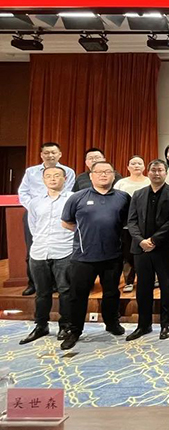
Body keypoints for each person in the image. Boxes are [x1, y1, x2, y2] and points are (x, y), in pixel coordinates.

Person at [60, 161, 131, 350]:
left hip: (113, 255)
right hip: (83, 257)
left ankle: (112, 323)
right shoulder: (77, 197)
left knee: (112, 293)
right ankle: (74, 330)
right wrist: (87, 232)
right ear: (91, 176)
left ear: (114, 175)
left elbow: (128, 222)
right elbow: (66, 222)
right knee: (78, 295)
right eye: (99, 172)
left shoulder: (123, 197)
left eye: (108, 171)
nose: (103, 175)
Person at [125, 160, 169, 341]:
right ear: (148, 172)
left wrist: (154, 240)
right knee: (143, 288)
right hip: (141, 249)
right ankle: (143, 325)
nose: (156, 173)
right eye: (153, 170)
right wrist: (141, 241)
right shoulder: (138, 194)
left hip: (163, 248)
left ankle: (166, 324)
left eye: (160, 170)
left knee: (166, 286)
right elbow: (131, 221)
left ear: (166, 173)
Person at [20, 167, 74, 344]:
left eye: (57, 175)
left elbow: (77, 224)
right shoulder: (35, 202)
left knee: (65, 291)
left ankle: (65, 326)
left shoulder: (73, 199)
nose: (52, 179)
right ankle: (41, 325)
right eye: (48, 176)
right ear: (43, 180)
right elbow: (33, 226)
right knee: (42, 293)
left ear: (65, 178)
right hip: (39, 251)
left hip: (64, 250)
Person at [18, 142, 75, 296]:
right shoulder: (31, 172)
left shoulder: (68, 171)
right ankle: (33, 283)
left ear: (59, 154)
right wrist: (36, 206)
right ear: (41, 155)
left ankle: (57, 283)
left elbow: (67, 191)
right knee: (33, 247)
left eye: (53, 152)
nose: (50, 155)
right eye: (47, 153)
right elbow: (23, 192)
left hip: (60, 212)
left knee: (60, 249)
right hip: (36, 212)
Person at [114, 155, 150, 293]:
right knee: (127, 254)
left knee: (145, 253)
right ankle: (128, 281)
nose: (136, 166)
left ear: (144, 167)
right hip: (126, 225)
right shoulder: (121, 183)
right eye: (133, 163)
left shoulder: (149, 181)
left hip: (146, 225)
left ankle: (147, 279)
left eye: (139, 163)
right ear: (128, 167)